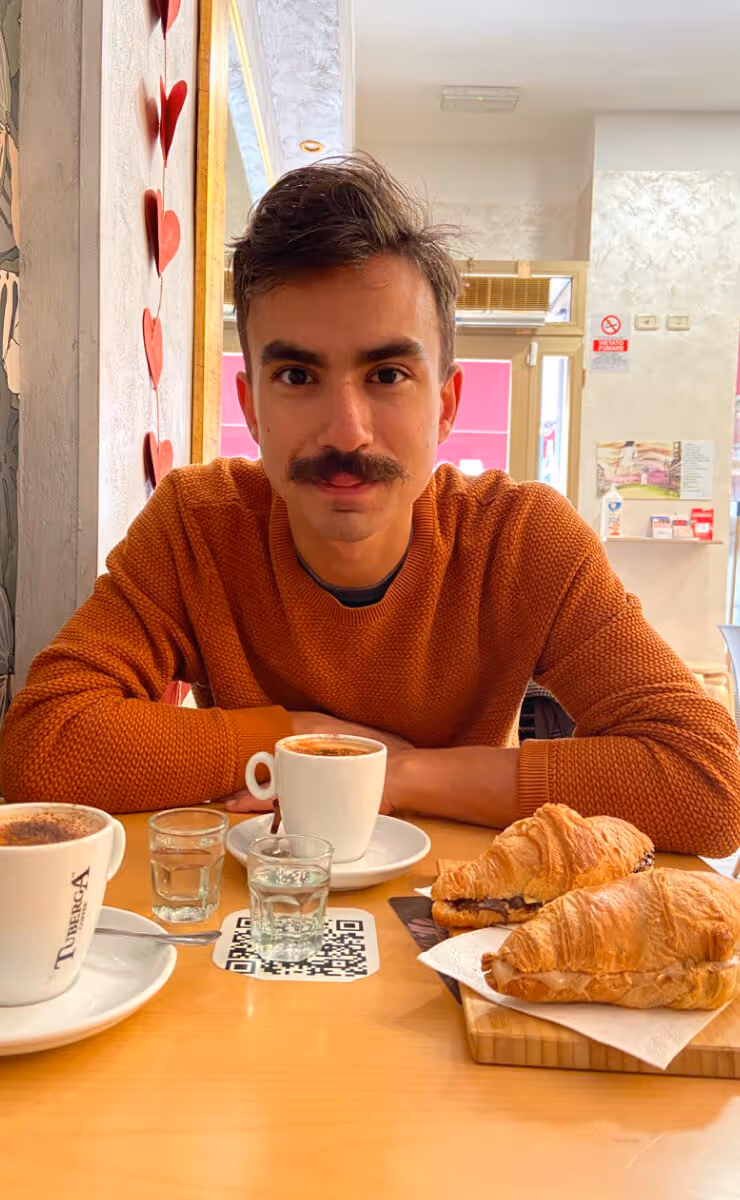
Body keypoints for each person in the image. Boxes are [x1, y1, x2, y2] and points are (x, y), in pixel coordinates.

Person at [2, 156, 739, 857]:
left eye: (387, 374)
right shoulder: (199, 523)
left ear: (445, 405)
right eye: (297, 376)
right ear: (251, 407)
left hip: (467, 924)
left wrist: (396, 773)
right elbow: (41, 744)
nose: (347, 432)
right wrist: (304, 738)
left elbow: (709, 782)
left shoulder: (521, 541)